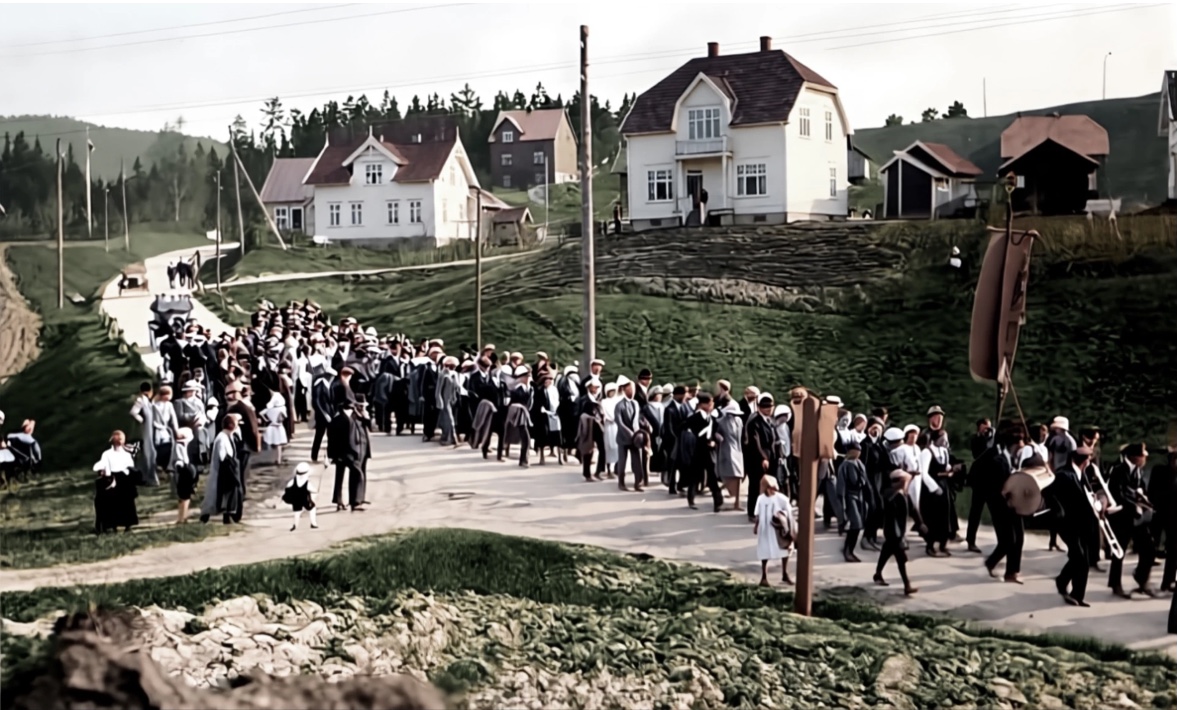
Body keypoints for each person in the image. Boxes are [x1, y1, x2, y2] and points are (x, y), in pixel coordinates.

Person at [1106, 443, 1156, 598]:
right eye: (1143, 456)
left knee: (1149, 549)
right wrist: (1134, 506)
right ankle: (1115, 584)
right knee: (1119, 552)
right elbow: (1116, 494)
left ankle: (1141, 578)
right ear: (1135, 457)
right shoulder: (1118, 470)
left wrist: (1145, 500)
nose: (1145, 459)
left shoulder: (1138, 471)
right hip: (1122, 517)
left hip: (1137, 518)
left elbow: (1141, 489)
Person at [1052, 445, 1097, 606]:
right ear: (1085, 461)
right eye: (1088, 459)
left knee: (1081, 558)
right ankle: (1070, 589)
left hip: (1083, 523)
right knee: (1080, 558)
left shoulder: (1081, 473)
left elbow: (1087, 494)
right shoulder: (1063, 475)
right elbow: (1051, 494)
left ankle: (1071, 589)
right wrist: (1060, 511)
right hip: (1067, 524)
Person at [874, 470, 923, 595]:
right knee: (901, 559)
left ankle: (878, 573)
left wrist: (920, 523)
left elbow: (913, 510)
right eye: (906, 481)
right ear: (900, 482)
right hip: (894, 532)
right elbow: (892, 517)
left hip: (896, 531)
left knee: (886, 552)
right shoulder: (892, 496)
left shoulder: (902, 494)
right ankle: (907, 585)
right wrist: (898, 535)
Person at [92, 430, 140, 534]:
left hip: (124, 479)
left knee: (126, 503)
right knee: (113, 503)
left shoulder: (125, 454)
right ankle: (115, 525)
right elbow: (105, 466)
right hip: (114, 478)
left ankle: (126, 524)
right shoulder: (108, 454)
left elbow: (130, 466)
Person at [753, 475, 794, 586]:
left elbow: (789, 512)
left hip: (777, 530)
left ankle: (785, 573)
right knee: (764, 551)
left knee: (784, 549)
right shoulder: (761, 499)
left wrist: (785, 522)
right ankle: (764, 577)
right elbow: (758, 514)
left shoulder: (781, 498)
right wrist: (756, 526)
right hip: (765, 529)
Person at [837, 440, 869, 562]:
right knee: (856, 524)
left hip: (859, 496)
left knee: (859, 525)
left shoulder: (859, 463)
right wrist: (842, 504)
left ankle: (850, 549)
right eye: (856, 450)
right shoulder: (845, 465)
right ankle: (848, 551)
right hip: (850, 497)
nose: (858, 453)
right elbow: (841, 487)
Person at [172, 427, 199, 524]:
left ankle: (182, 517)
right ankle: (182, 517)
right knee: (185, 497)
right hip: (186, 471)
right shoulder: (182, 446)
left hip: (185, 471)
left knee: (184, 497)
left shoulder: (180, 446)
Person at [283, 461, 319, 531]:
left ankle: (295, 525)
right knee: (312, 508)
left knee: (297, 512)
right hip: (305, 500)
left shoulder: (293, 481)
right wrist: (316, 491)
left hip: (295, 500)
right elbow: (313, 490)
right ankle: (313, 523)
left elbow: (287, 487)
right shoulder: (307, 483)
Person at [261, 391, 289, 466]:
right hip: (279, 427)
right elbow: (285, 417)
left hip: (271, 427)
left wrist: (266, 420)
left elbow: (261, 413)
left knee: (274, 443)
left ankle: (277, 458)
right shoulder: (283, 408)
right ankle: (279, 459)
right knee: (279, 444)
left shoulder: (270, 409)